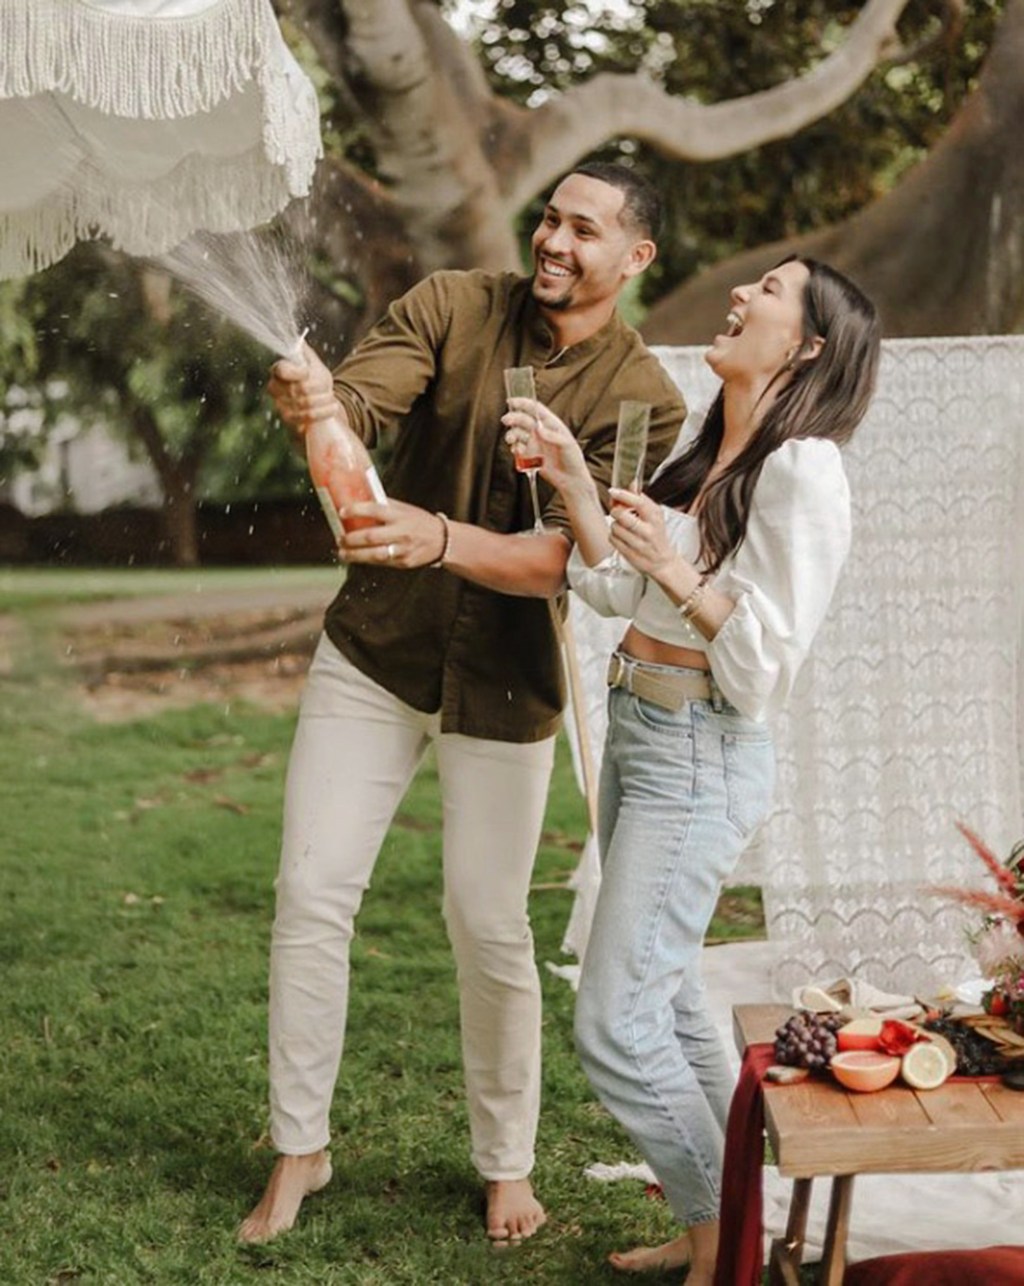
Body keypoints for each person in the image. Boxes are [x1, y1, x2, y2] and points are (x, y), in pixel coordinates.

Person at [237, 162, 688, 1245]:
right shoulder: (448, 304)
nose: (552, 240)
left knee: (487, 923)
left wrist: (439, 536)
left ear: (634, 259)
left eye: (584, 230)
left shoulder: (648, 401)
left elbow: (569, 560)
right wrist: (312, 408)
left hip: (507, 682)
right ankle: (301, 1145)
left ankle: (507, 1161)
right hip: (374, 651)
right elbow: (352, 409)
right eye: (549, 217)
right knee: (310, 892)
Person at [503, 255, 880, 1283]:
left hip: (702, 747)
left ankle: (725, 1236)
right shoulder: (719, 445)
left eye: (769, 288)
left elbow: (763, 663)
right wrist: (576, 483)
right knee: (663, 994)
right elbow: (622, 590)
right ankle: (722, 1217)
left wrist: (671, 566)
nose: (742, 293)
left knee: (613, 1018)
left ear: (806, 344)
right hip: (643, 725)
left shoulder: (803, 467)